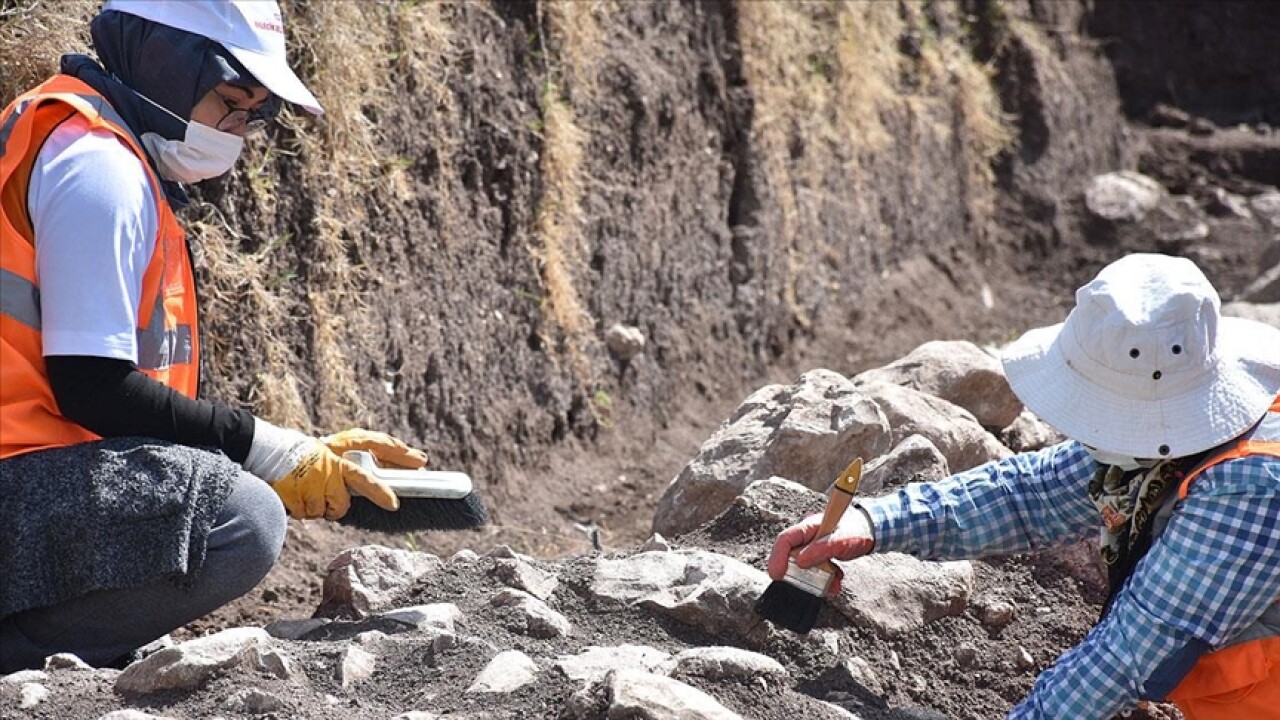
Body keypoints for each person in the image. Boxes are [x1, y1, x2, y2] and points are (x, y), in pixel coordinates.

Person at [0, 0, 426, 673]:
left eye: (258, 112)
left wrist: (289, 448)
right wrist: (266, 453)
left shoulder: (99, 149)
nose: (244, 126)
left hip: (27, 481)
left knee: (222, 488)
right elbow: (91, 386)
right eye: (232, 101)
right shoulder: (98, 171)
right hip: (15, 485)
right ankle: (28, 655)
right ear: (169, 67)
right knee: (242, 519)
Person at [768, 253, 1280, 720]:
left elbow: (1129, 655)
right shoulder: (1184, 435)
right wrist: (872, 523)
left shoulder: (1249, 486)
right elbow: (1028, 495)